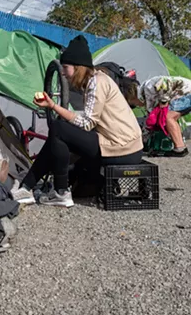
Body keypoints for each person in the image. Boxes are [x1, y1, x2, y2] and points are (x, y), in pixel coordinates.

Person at [12, 35, 144, 207]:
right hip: (120, 145)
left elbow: (86, 123)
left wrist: (53, 106)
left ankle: (56, 191)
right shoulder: (94, 81)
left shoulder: (97, 83)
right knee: (60, 131)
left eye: (65, 67)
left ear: (78, 67)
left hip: (122, 148)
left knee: (59, 128)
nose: (63, 73)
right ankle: (30, 187)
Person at [124, 76, 191, 157]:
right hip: (182, 94)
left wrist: (163, 101)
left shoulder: (148, 86)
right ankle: (178, 146)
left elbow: (164, 82)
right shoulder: (147, 99)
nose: (137, 106)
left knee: (168, 117)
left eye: (134, 104)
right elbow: (150, 122)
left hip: (187, 92)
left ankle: (180, 148)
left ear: (133, 97)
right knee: (169, 118)